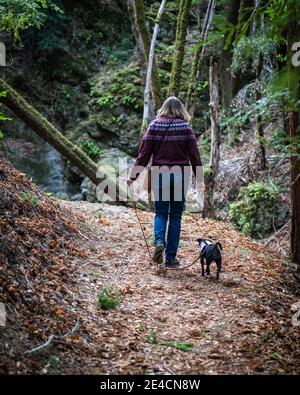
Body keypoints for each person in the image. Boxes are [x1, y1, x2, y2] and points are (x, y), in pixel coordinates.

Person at [127, 96, 204, 268]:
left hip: (160, 174)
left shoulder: (154, 125)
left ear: (163, 108)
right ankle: (170, 258)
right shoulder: (186, 128)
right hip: (180, 175)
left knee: (161, 213)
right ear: (180, 109)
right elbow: (195, 157)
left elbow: (144, 154)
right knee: (175, 216)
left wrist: (132, 176)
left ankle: (159, 241)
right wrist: (199, 180)